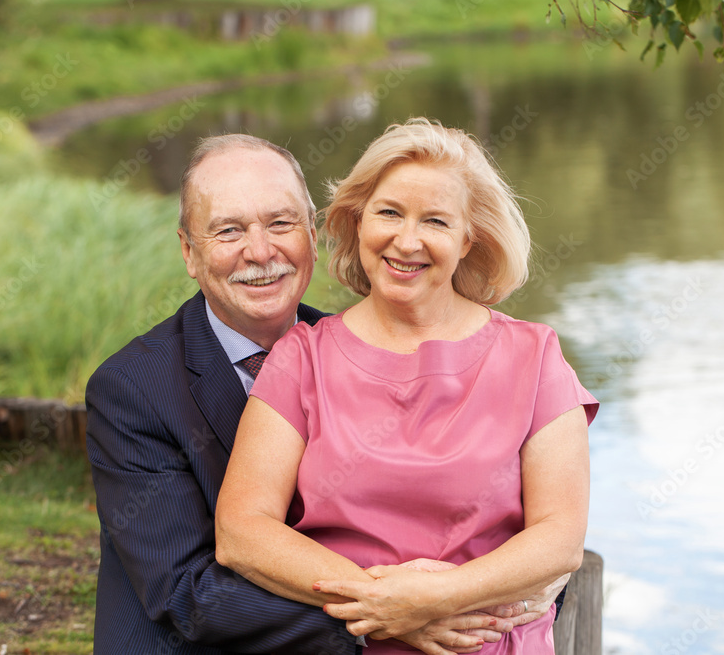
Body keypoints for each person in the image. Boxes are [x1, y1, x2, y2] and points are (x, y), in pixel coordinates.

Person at [85, 133, 536, 654]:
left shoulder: (351, 352)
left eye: (281, 223)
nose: (260, 252)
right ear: (189, 251)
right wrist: (390, 615)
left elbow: (469, 514)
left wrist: (510, 590)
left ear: (313, 233)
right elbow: (189, 593)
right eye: (229, 230)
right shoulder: (133, 389)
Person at [214, 119, 599, 654]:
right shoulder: (301, 358)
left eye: (435, 221)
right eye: (389, 212)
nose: (407, 240)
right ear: (357, 220)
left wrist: (441, 596)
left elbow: (560, 538)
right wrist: (389, 608)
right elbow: (241, 531)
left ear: (469, 239)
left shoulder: (534, 357)